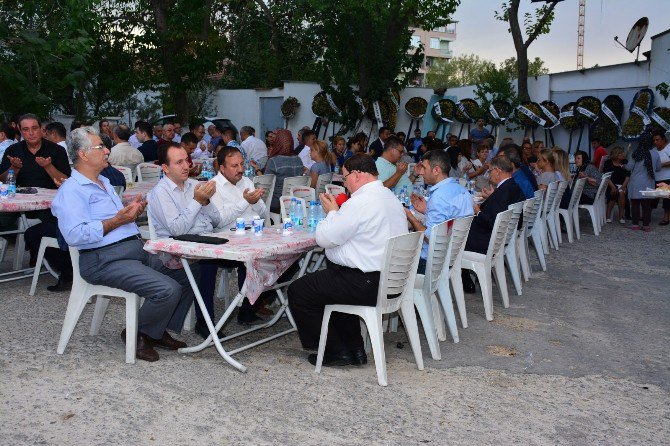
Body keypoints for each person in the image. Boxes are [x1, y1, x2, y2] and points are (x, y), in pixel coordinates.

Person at [52, 127, 195, 362]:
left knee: (189, 271)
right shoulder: (71, 191)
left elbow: (113, 219)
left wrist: (129, 210)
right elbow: (75, 235)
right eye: (101, 147)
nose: (108, 151)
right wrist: (119, 219)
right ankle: (137, 334)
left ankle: (154, 330)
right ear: (83, 154)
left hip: (133, 250)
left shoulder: (104, 182)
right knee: (167, 289)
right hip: (102, 259)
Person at [288, 153, 408, 367]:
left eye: (345, 178)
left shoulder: (361, 202)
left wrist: (332, 212)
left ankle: (335, 350)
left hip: (366, 283)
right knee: (333, 281)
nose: (345, 184)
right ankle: (355, 350)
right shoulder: (391, 198)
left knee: (300, 291)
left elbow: (324, 238)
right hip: (389, 281)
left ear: (357, 174)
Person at [147, 142, 227, 339]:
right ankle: (205, 322)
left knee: (243, 259)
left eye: (187, 160)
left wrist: (206, 201)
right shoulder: (160, 193)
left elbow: (217, 220)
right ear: (165, 168)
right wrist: (197, 202)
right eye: (179, 162)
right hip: (173, 251)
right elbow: (177, 229)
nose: (186, 166)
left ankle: (247, 310)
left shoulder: (194, 185)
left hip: (203, 241)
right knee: (207, 263)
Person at [210, 146, 267, 323]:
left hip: (253, 236)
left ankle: (252, 305)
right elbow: (219, 221)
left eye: (242, 164)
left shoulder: (247, 182)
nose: (240, 169)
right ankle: (247, 308)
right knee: (252, 260)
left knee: (290, 258)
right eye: (234, 165)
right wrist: (245, 202)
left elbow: (263, 214)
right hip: (228, 241)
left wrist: (256, 202)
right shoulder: (213, 187)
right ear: (222, 168)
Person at [461, 156, 524, 293]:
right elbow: (501, 208)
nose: (489, 175)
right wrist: (490, 198)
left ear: (497, 171)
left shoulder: (504, 190)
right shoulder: (513, 186)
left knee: (457, 236)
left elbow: (491, 222)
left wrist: (477, 211)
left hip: (486, 241)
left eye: (490, 171)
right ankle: (467, 277)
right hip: (500, 238)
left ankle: (463, 278)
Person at [406, 150, 473, 273]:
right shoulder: (462, 190)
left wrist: (411, 217)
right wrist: (427, 210)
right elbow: (449, 218)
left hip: (430, 262)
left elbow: (430, 238)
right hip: (452, 255)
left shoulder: (439, 196)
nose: (421, 172)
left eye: (424, 168)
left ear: (436, 170)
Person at [0, 114, 71, 190]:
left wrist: (48, 166)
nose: (31, 133)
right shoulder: (12, 150)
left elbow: (66, 182)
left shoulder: (57, 150)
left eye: (34, 128)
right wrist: (14, 168)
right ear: (20, 131)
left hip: (51, 198)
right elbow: (2, 181)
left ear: (41, 129)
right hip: (19, 197)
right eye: (26, 129)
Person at [625, 130, 661, 232]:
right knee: (647, 205)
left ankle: (635, 225)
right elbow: (658, 168)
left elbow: (629, 167)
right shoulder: (655, 153)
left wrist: (623, 165)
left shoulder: (635, 152)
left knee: (635, 204)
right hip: (649, 182)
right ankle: (646, 226)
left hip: (635, 182)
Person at [263, 129, 304, 215]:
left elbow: (265, 184)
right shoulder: (298, 160)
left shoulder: (273, 161)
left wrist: (257, 170)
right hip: (295, 201)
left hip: (276, 203)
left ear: (277, 142)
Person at [603, 146, 630, 223]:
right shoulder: (608, 163)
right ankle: (608, 216)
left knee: (621, 193)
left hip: (622, 184)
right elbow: (606, 176)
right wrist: (612, 187)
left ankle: (621, 216)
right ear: (616, 154)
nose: (623, 154)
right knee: (614, 193)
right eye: (621, 153)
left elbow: (628, 176)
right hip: (610, 184)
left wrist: (624, 186)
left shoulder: (625, 162)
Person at [651, 130, 670, 225]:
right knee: (653, 197)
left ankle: (666, 218)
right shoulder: (653, 150)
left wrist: (660, 165)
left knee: (666, 199)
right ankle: (647, 215)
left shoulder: (669, 148)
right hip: (656, 178)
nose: (655, 142)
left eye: (657, 140)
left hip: (667, 178)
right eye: (654, 140)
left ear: (663, 140)